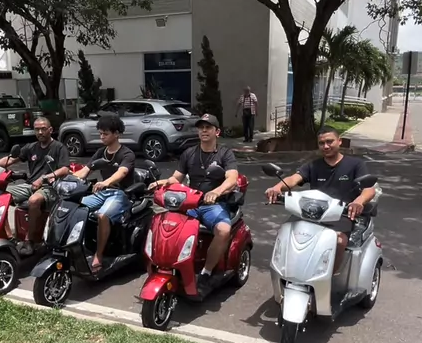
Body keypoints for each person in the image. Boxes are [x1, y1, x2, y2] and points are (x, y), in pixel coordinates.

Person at [265, 126, 376, 273]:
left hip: (340, 213)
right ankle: (290, 272)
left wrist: (358, 201)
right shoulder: (313, 165)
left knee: (339, 241)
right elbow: (293, 179)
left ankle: (329, 277)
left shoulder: (355, 165)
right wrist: (277, 187)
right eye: (321, 143)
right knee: (285, 233)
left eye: (330, 141)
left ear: (339, 141)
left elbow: (369, 189)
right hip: (312, 210)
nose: (326, 146)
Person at [150, 113, 239, 289]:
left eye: (208, 127)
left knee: (223, 230)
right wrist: (161, 183)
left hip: (213, 205)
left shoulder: (225, 154)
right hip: (190, 202)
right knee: (164, 223)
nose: (204, 131)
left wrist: (216, 192)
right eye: (201, 128)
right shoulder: (189, 153)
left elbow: (232, 178)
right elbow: (177, 178)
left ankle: (206, 271)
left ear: (217, 132)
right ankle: (169, 264)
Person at [0, 117, 70, 255]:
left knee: (34, 200)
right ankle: (9, 237)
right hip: (30, 185)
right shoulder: (31, 147)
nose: (40, 132)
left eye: (43, 129)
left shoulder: (59, 147)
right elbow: (10, 160)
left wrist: (44, 178)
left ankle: (30, 241)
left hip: (50, 187)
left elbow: (65, 169)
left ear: (50, 130)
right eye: (37, 129)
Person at [72, 113, 135, 272]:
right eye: (100, 133)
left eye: (105, 134)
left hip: (120, 194)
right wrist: (66, 179)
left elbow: (121, 172)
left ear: (116, 134)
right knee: (73, 206)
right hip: (101, 193)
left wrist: (106, 182)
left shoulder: (127, 154)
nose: (101, 137)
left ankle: (98, 255)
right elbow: (85, 171)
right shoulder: (100, 152)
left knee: (102, 215)